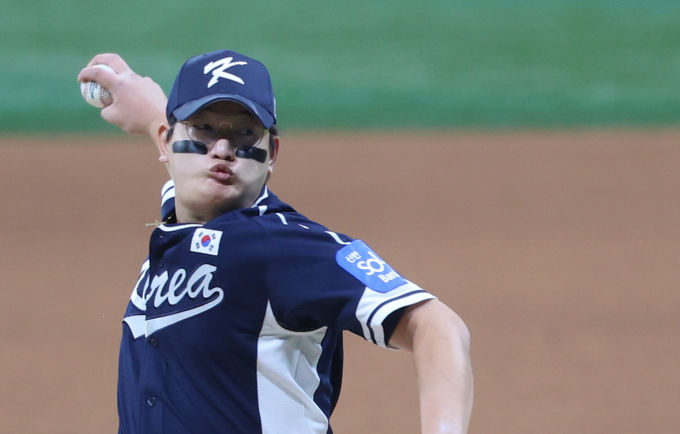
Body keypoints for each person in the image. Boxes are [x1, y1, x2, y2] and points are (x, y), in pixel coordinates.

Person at [78, 49, 473, 434]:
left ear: (272, 154)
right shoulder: (185, 218)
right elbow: (188, 178)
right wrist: (152, 114)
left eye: (245, 134)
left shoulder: (282, 246)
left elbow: (437, 326)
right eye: (203, 128)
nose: (222, 150)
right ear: (167, 142)